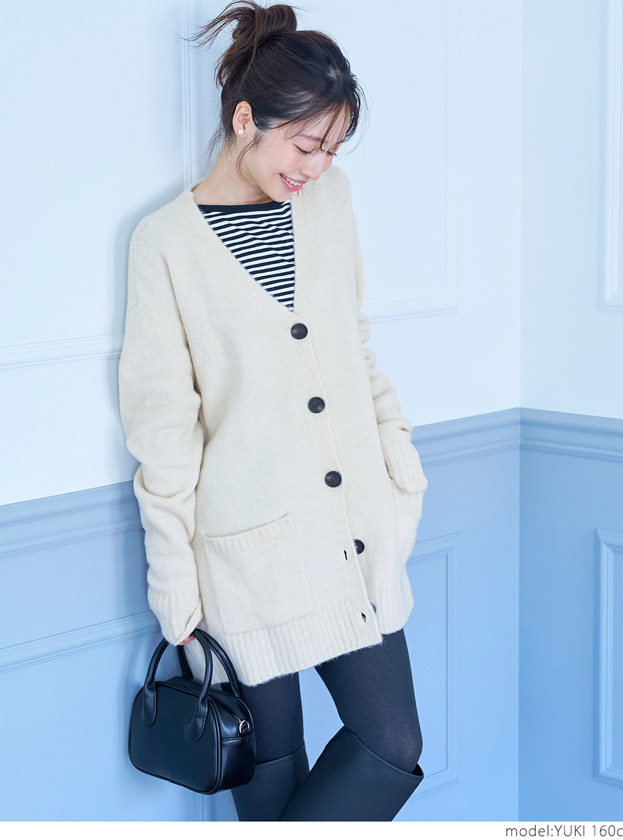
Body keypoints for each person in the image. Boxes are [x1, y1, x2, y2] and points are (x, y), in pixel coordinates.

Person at [118, 0, 429, 821]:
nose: (317, 166)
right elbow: (163, 434)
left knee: (392, 743)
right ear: (246, 119)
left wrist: (401, 469)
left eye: (332, 149)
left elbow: (354, 348)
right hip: (243, 565)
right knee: (270, 788)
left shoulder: (332, 203)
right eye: (305, 144)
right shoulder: (164, 244)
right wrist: (175, 591)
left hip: (350, 539)